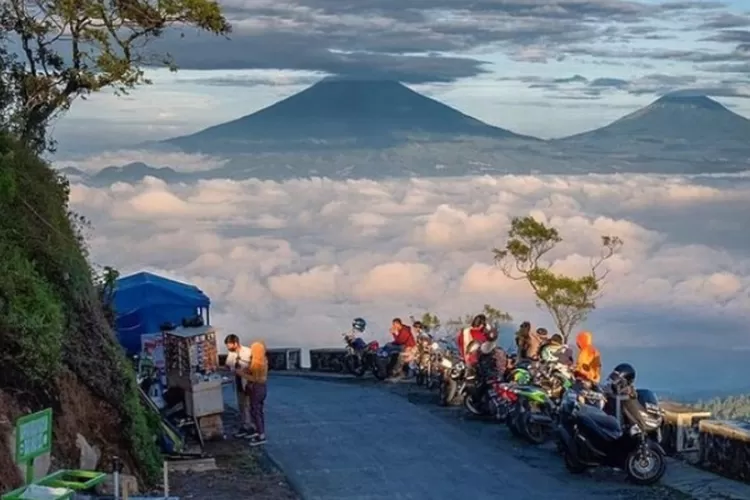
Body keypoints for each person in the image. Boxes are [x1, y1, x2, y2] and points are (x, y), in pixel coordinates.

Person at [224, 334, 254, 438]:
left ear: (235, 343)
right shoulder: (231, 354)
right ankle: (244, 425)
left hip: (247, 381)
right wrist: (231, 368)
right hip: (237, 381)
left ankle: (251, 427)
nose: (228, 348)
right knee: (241, 405)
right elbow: (227, 365)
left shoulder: (248, 352)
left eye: (229, 345)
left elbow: (255, 365)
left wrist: (245, 368)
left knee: (248, 404)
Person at [243, 341, 269, 446]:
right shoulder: (264, 360)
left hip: (256, 388)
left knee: (255, 411)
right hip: (263, 388)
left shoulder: (257, 363)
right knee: (259, 411)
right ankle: (259, 431)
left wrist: (241, 373)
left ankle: (261, 435)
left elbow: (255, 378)